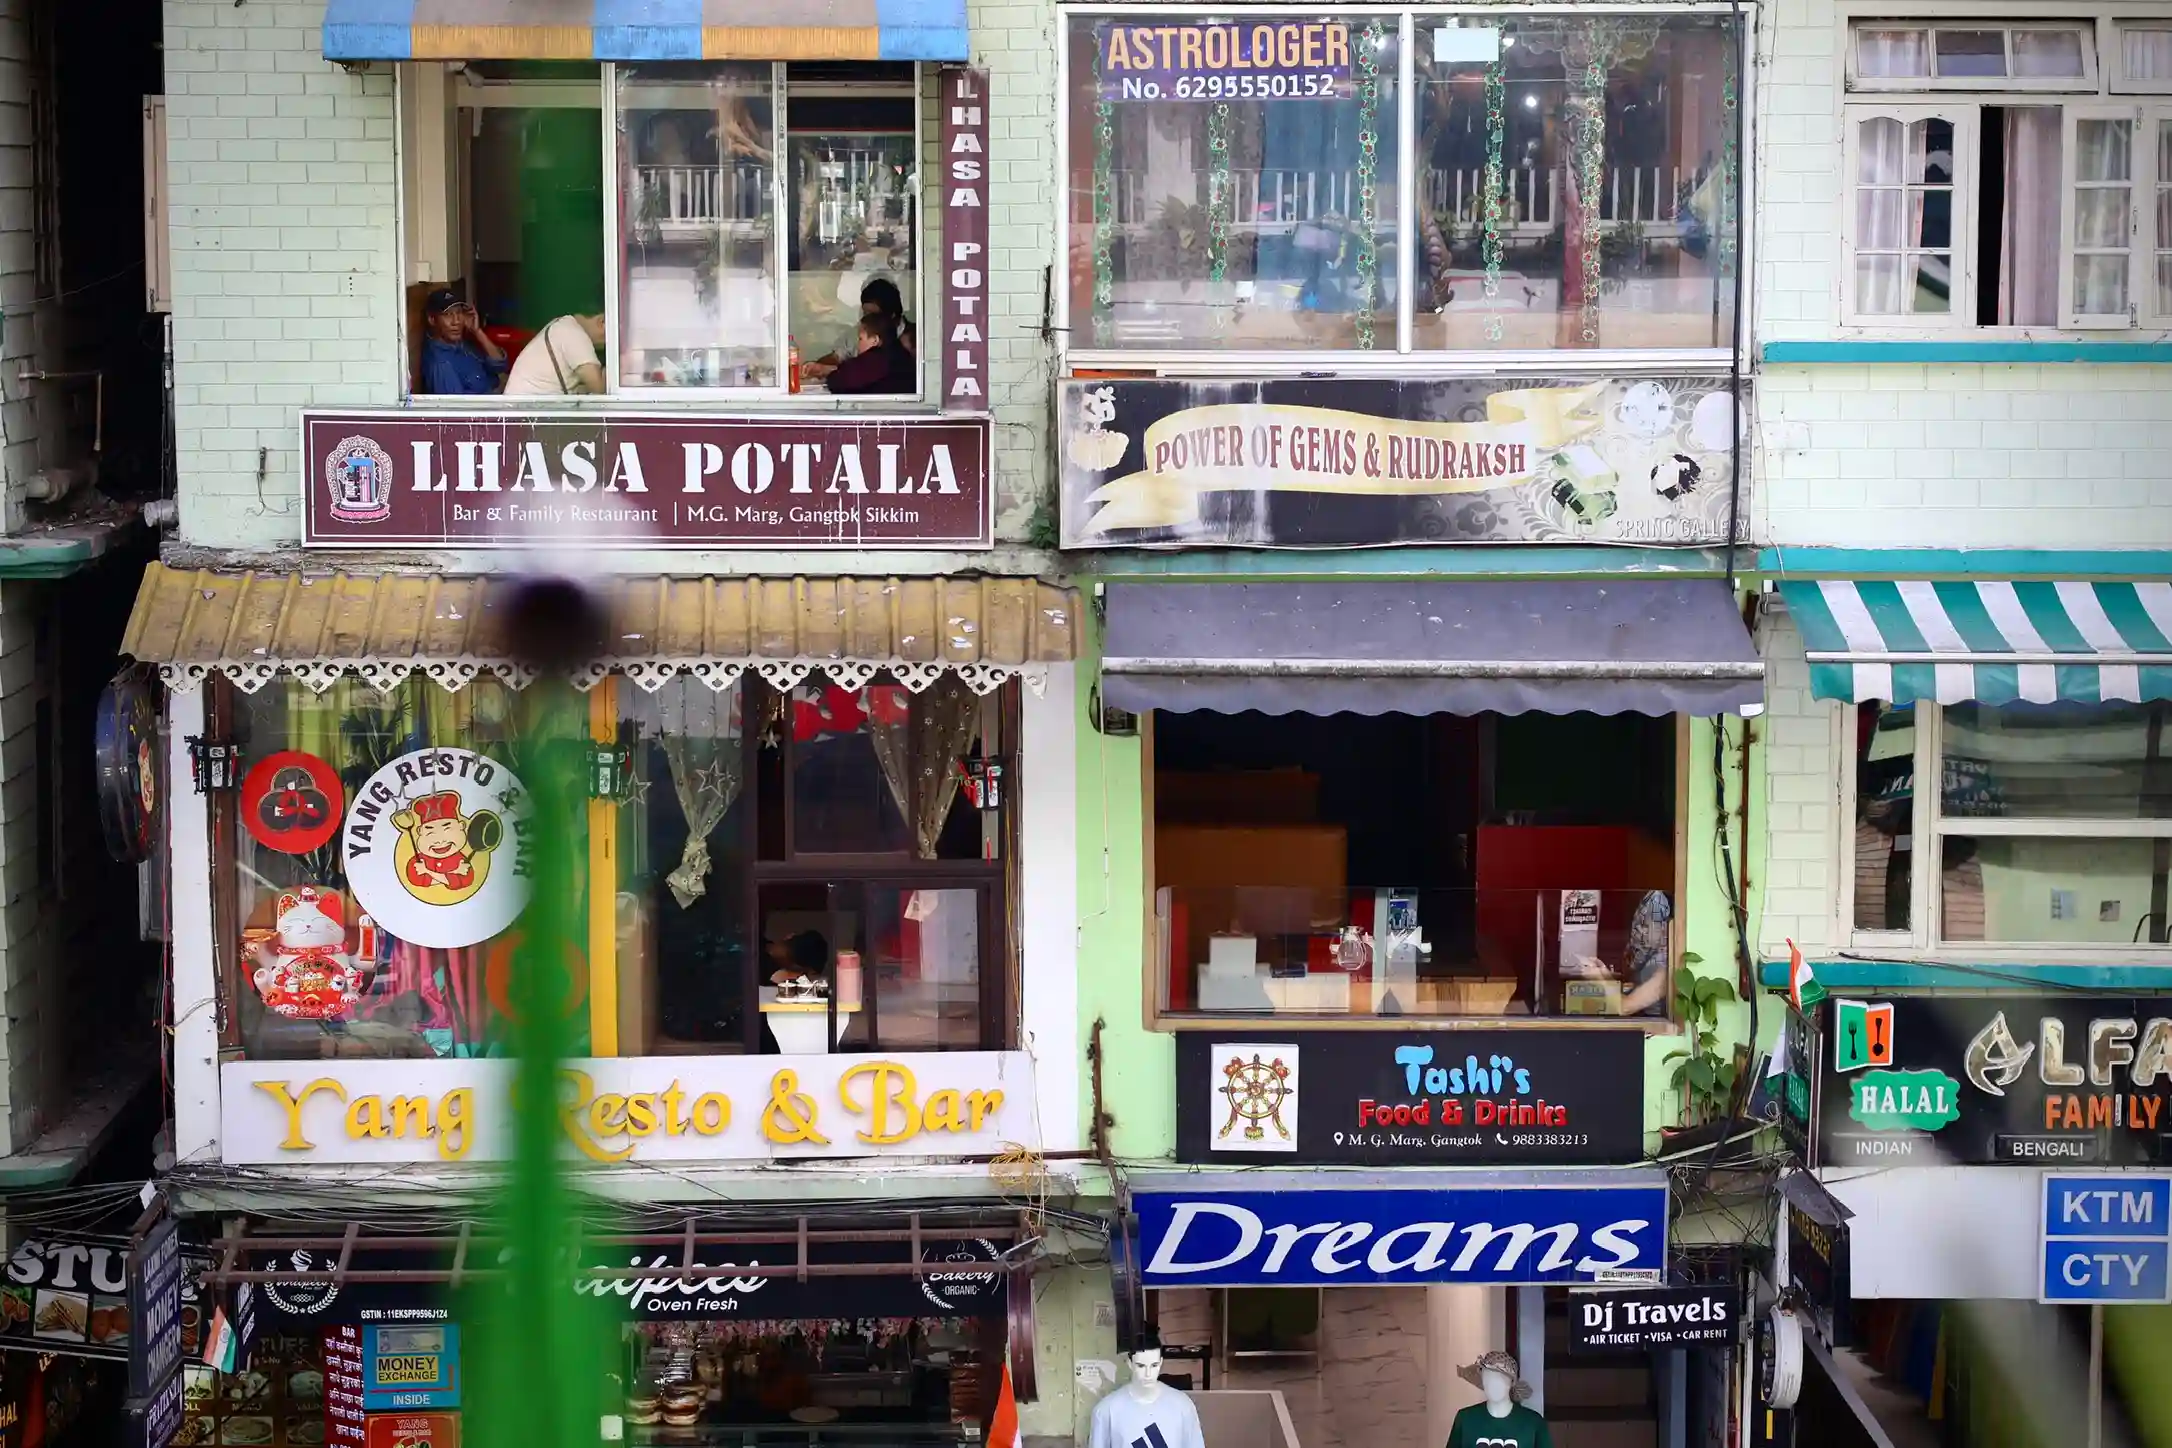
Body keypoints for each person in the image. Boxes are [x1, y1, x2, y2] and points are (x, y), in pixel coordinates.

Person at [417, 289, 507, 395]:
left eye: (459, 312)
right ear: (432, 319)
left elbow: (500, 366)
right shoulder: (441, 365)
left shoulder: (460, 344)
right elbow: (457, 409)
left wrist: (477, 332)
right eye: (448, 314)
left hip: (499, 389)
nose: (456, 321)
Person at [503, 312, 606, 396]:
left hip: (521, 410)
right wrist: (619, 360)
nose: (605, 344)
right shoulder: (573, 333)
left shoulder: (563, 325)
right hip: (526, 413)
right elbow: (599, 388)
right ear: (601, 322)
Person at [823, 315, 914, 395]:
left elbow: (839, 381)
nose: (858, 344)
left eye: (860, 338)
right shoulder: (900, 354)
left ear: (875, 340)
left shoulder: (875, 361)